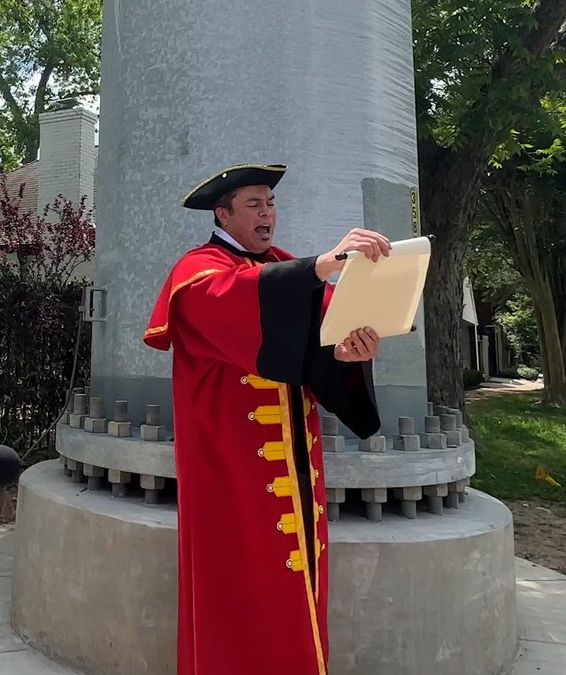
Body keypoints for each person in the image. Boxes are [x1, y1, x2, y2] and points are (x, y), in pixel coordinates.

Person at [142, 164, 387, 675]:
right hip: (230, 479)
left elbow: (316, 348)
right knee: (240, 601)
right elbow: (241, 300)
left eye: (270, 204)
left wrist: (347, 351)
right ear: (222, 213)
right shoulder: (198, 271)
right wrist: (322, 265)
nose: (267, 214)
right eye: (253, 205)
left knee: (296, 594)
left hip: (297, 476)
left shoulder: (282, 267)